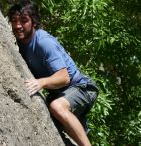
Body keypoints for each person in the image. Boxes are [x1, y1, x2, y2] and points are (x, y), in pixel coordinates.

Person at [8, 2, 99, 146]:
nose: (18, 25)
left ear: (34, 23)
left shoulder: (43, 42)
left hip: (82, 87)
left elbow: (64, 77)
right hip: (60, 94)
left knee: (57, 107)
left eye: (24, 21)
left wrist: (41, 82)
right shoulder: (20, 43)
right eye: (14, 21)